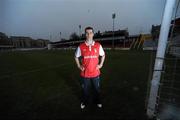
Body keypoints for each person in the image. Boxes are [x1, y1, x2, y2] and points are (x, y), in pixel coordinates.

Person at [74, 26, 105, 109]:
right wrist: (78, 66)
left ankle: (98, 101)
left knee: (97, 90)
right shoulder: (81, 46)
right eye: (87, 33)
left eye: (90, 33)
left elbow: (103, 55)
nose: (89, 35)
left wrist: (101, 64)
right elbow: (76, 57)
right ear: (85, 35)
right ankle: (84, 102)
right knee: (85, 91)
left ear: (93, 34)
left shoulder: (98, 45)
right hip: (85, 74)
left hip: (95, 73)